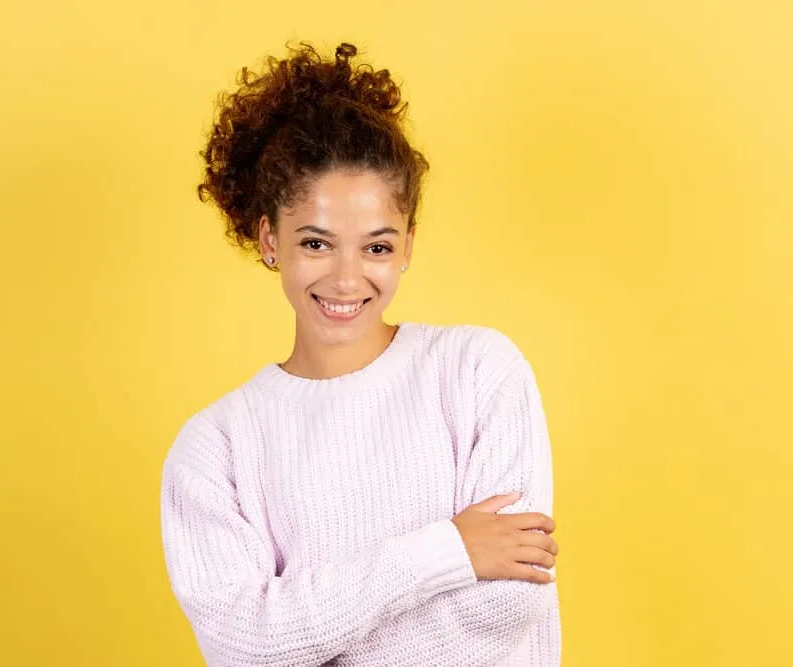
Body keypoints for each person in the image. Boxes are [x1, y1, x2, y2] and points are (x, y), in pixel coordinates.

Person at [160, 40, 562, 666]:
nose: (347, 280)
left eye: (376, 247)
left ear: (407, 246)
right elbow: (245, 650)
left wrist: (302, 626)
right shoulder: (216, 448)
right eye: (317, 242)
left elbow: (506, 603)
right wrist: (448, 552)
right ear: (270, 239)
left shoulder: (478, 372)